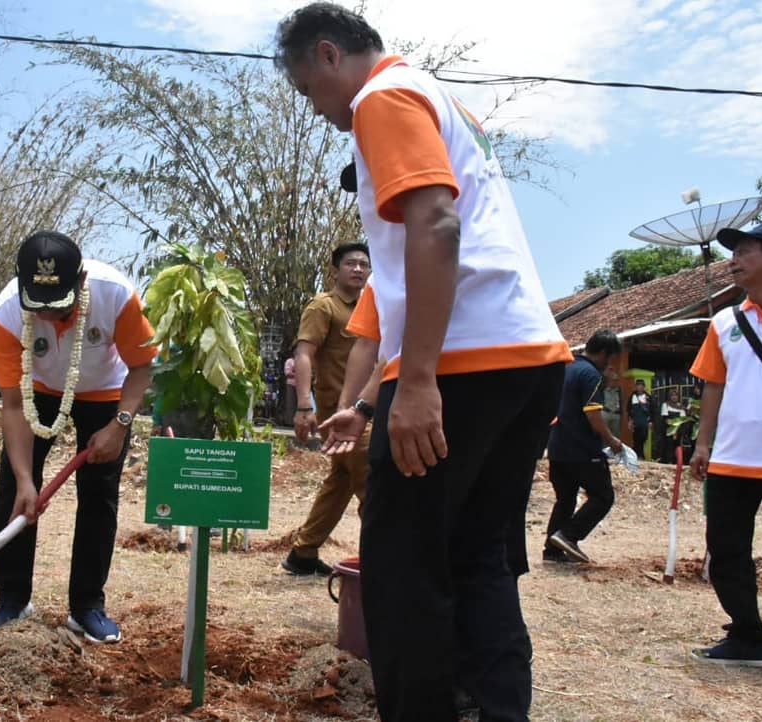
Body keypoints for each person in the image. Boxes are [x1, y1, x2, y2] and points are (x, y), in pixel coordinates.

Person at [275, 6, 571, 720]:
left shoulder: (384, 95)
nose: (317, 112)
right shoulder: (439, 97)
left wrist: (416, 380)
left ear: (327, 56)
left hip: (465, 363)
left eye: (308, 92)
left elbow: (436, 224)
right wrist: (377, 399)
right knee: (478, 557)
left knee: (402, 566)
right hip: (527, 356)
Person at [0, 230, 157, 642]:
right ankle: (12, 598)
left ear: (80, 282)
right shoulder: (6, 313)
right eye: (38, 307)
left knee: (99, 494)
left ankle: (87, 606)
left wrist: (119, 425)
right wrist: (27, 480)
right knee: (14, 489)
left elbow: (144, 366)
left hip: (106, 392)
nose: (47, 317)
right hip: (37, 389)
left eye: (58, 306)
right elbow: (12, 405)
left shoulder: (116, 295)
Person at [687, 221, 762, 667]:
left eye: (747, 251)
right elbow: (713, 386)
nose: (733, 260)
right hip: (732, 459)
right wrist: (703, 444)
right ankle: (748, 636)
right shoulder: (724, 322)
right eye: (733, 253)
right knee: (727, 549)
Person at [283, 242, 371, 576]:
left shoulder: (370, 307)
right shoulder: (324, 307)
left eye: (364, 264)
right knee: (372, 485)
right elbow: (304, 354)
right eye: (351, 264)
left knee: (342, 481)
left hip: (367, 410)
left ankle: (303, 553)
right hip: (342, 415)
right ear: (336, 270)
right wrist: (305, 405)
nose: (359, 269)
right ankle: (383, 562)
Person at [544, 330, 625, 565]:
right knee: (603, 496)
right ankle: (568, 536)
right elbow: (593, 415)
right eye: (611, 359)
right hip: (583, 449)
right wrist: (612, 441)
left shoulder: (568, 368)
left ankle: (552, 550)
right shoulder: (591, 375)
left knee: (565, 499)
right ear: (604, 353)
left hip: (558, 447)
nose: (611, 365)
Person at [626, 379, 652, 459]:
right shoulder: (632, 396)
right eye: (638, 386)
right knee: (636, 439)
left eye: (641, 386)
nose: (639, 388)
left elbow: (653, 410)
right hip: (635, 421)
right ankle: (638, 455)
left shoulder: (648, 397)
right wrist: (630, 420)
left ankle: (640, 454)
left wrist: (651, 421)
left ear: (644, 387)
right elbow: (628, 409)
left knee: (643, 438)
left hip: (644, 421)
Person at [660, 387, 687, 463]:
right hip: (668, 429)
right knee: (668, 446)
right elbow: (665, 418)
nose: (674, 397)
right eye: (672, 395)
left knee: (677, 446)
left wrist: (677, 429)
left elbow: (683, 419)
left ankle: (677, 462)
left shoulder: (681, 406)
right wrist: (672, 429)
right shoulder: (666, 405)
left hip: (679, 430)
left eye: (676, 395)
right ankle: (668, 461)